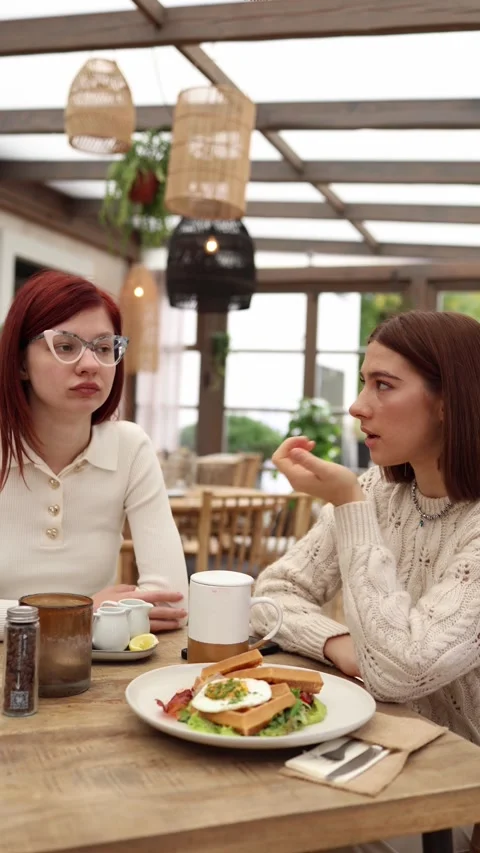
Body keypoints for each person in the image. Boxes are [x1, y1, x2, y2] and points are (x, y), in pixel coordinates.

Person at [251, 309, 480, 853]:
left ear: (449, 402)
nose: (357, 406)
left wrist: (348, 506)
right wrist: (341, 645)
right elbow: (270, 594)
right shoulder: (379, 490)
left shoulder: (366, 499)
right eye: (362, 383)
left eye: (384, 385)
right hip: (396, 749)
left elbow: (401, 668)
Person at [0, 269, 188, 639]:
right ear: (21, 362)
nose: (90, 365)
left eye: (103, 348)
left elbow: (171, 602)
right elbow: (121, 613)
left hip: (93, 671)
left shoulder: (130, 446)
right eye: (66, 346)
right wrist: (83, 612)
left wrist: (24, 616)